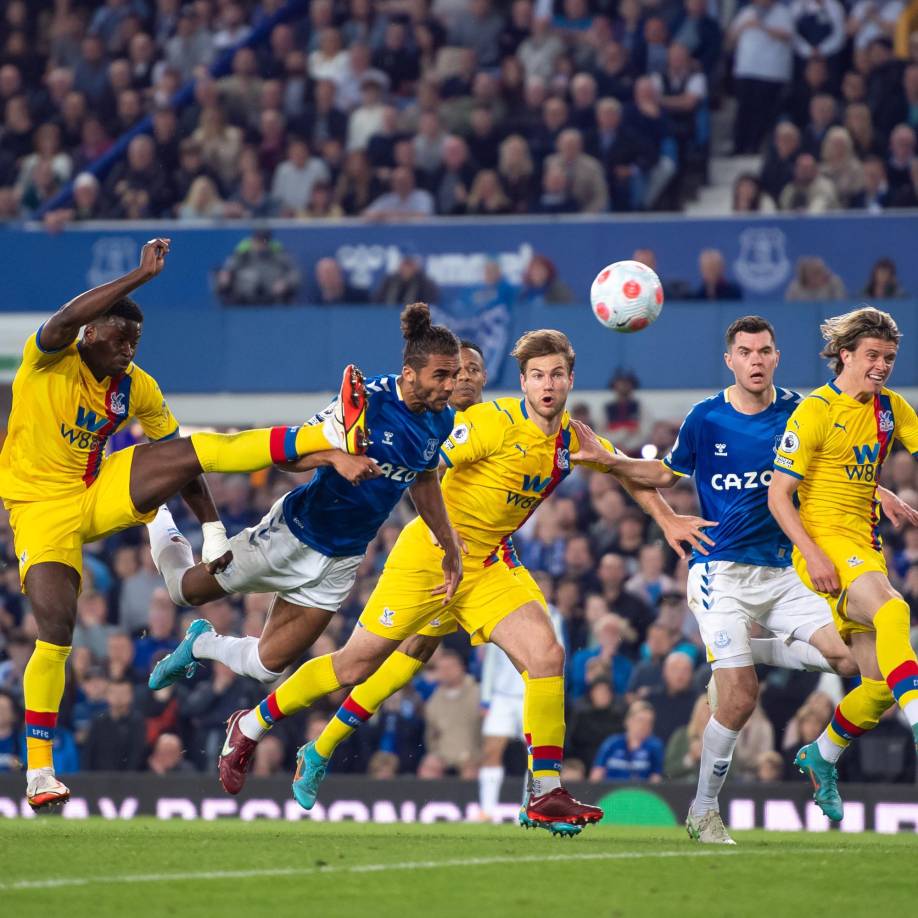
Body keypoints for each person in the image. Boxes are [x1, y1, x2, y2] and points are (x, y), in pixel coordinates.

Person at [229, 329, 714, 836]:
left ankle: (544, 792)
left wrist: (666, 519)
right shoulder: (489, 423)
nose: (547, 385)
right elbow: (425, 465)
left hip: (487, 566)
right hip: (430, 558)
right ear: (523, 383)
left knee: (546, 655)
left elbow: (636, 474)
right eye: (537, 376)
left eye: (556, 375)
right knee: (357, 664)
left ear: (570, 380)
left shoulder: (573, 437)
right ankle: (253, 724)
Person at [0, 239, 368, 810]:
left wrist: (215, 528)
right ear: (92, 334)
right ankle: (40, 772)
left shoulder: (135, 387)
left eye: (136, 342)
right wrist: (139, 277)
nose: (129, 351)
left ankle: (317, 436)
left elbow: (187, 456)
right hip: (38, 508)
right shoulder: (49, 357)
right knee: (56, 627)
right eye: (120, 339)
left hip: (96, 488)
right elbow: (65, 317)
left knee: (193, 447)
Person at [587, 315, 916, 843]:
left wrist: (879, 492)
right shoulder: (706, 418)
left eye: (765, 350)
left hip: (785, 571)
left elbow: (826, 469)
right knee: (740, 696)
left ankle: (749, 650)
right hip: (721, 570)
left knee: (854, 660)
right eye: (746, 351)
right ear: (730, 360)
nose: (756, 360)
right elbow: (665, 474)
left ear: (776, 357)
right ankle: (703, 809)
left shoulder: (799, 410)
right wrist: (610, 461)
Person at [147, 306, 464, 724]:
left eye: (454, 374)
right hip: (293, 534)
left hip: (343, 559)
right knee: (181, 591)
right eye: (441, 375)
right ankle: (151, 511)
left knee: (266, 666)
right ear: (410, 373)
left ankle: (201, 644)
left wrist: (448, 543)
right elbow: (288, 456)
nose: (450, 385)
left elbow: (423, 479)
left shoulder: (441, 420)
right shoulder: (365, 400)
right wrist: (336, 458)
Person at [770, 306, 918, 822]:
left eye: (890, 358)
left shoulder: (890, 409)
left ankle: (822, 754)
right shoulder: (814, 411)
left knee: (876, 686)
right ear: (844, 355)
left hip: (865, 544)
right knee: (895, 611)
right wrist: (811, 552)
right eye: (872, 356)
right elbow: (779, 495)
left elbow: (849, 466)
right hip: (826, 546)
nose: (881, 365)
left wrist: (884, 492)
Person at [589, 700, 664, 782]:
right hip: (611, 792)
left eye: (649, 722)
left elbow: (656, 777)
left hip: (640, 792)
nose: (644, 726)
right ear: (628, 721)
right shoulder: (612, 743)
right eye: (640, 720)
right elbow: (597, 772)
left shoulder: (655, 746)